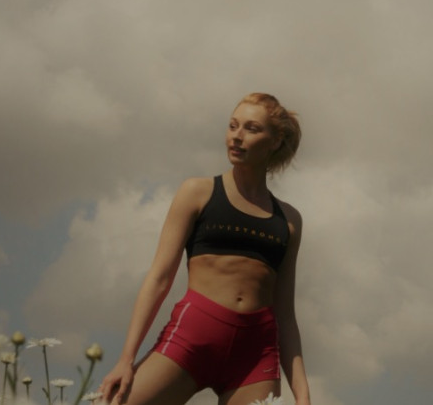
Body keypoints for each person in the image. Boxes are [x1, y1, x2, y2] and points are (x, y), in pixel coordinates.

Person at [99, 93, 311, 405]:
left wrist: (302, 394)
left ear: (276, 140)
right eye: (233, 126)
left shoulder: (289, 221)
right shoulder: (197, 192)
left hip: (255, 357)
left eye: (251, 129)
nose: (237, 136)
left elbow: (286, 315)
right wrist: (125, 360)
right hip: (191, 339)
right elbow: (159, 278)